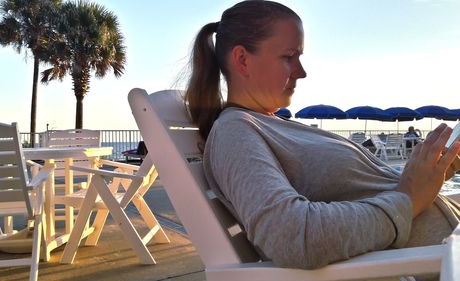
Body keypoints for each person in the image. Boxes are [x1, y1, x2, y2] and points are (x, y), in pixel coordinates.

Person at [184, 0, 460, 271]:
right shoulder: (235, 132)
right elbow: (291, 235)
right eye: (288, 57)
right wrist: (408, 200)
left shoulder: (269, 125)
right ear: (243, 60)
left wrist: (428, 174)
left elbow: (357, 193)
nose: (301, 72)